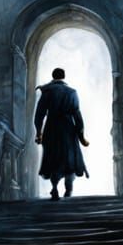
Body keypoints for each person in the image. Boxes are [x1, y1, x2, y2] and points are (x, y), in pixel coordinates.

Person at [34, 67, 89, 198]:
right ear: (63, 76)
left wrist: (38, 133)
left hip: (51, 128)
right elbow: (77, 116)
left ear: (53, 76)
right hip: (68, 129)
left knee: (53, 158)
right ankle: (68, 189)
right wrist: (81, 136)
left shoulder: (47, 92)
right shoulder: (72, 92)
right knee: (69, 158)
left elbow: (39, 114)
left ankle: (54, 187)